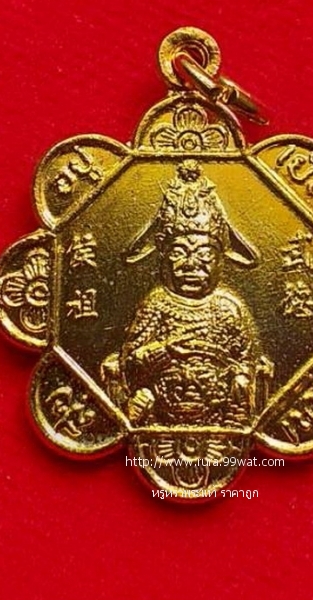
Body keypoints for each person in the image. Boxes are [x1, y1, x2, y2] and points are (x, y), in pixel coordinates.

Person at [101, 160, 272, 427]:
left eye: (204, 255)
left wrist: (241, 377)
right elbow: (129, 363)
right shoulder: (156, 304)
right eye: (179, 253)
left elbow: (245, 359)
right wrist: (163, 351)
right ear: (163, 258)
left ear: (220, 260)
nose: (191, 265)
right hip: (160, 408)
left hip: (219, 410)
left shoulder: (228, 308)